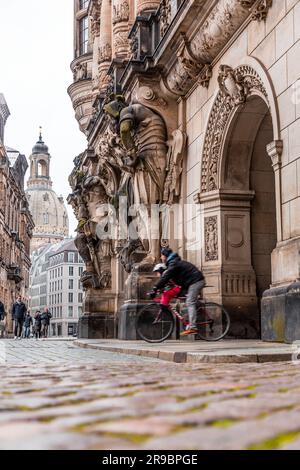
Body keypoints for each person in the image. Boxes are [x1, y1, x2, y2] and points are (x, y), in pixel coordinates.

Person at [151, 248, 206, 336]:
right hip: (191, 282)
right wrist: (157, 288)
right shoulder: (173, 263)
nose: (161, 257)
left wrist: (155, 288)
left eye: (162, 255)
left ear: (165, 256)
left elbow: (166, 277)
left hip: (196, 281)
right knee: (188, 301)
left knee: (190, 301)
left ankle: (193, 327)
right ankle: (196, 309)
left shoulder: (173, 264)